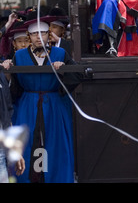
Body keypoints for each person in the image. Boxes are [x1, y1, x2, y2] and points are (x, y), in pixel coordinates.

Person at [8, 13, 81, 183]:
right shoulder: (19, 56)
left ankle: (55, 178)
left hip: (54, 104)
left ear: (49, 35)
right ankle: (32, 178)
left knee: (55, 144)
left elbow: (77, 75)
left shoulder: (60, 53)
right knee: (29, 145)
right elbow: (15, 88)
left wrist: (63, 70)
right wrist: (8, 73)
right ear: (29, 37)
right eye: (34, 34)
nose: (39, 37)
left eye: (43, 33)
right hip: (28, 104)